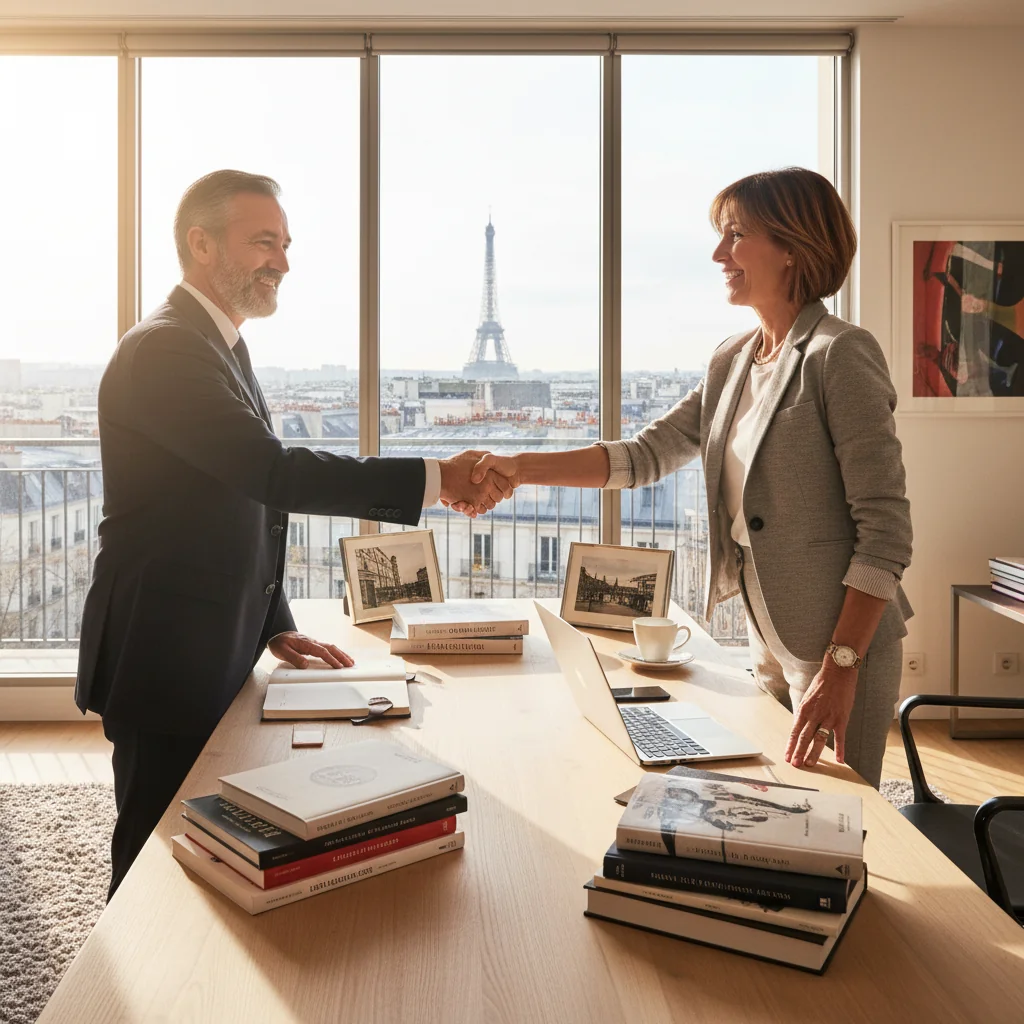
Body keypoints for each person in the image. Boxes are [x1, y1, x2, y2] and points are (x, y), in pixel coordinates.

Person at [76, 169, 513, 899]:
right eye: (263, 242)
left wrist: (274, 622)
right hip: (165, 651)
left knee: (201, 848)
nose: (282, 260)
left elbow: (238, 498)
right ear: (201, 244)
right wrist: (438, 478)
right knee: (152, 857)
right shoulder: (165, 350)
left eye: (285, 243)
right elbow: (272, 473)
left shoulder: (216, 344)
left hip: (201, 639)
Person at [459, 167, 913, 790]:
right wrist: (520, 468)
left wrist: (841, 665)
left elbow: (885, 532)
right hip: (767, 630)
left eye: (736, 236)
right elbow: (645, 454)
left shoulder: (840, 353)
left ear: (791, 247)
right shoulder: (733, 358)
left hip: (842, 645)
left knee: (843, 814)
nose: (719, 253)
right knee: (779, 803)